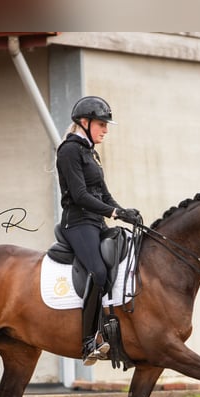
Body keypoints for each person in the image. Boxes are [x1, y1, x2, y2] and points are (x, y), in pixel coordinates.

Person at [56, 96, 141, 366]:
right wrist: (114, 213)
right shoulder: (69, 150)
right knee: (99, 271)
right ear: (85, 122)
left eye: (106, 125)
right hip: (77, 223)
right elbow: (80, 195)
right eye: (102, 124)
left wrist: (125, 212)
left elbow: (103, 194)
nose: (105, 130)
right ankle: (88, 341)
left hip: (96, 223)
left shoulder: (91, 152)